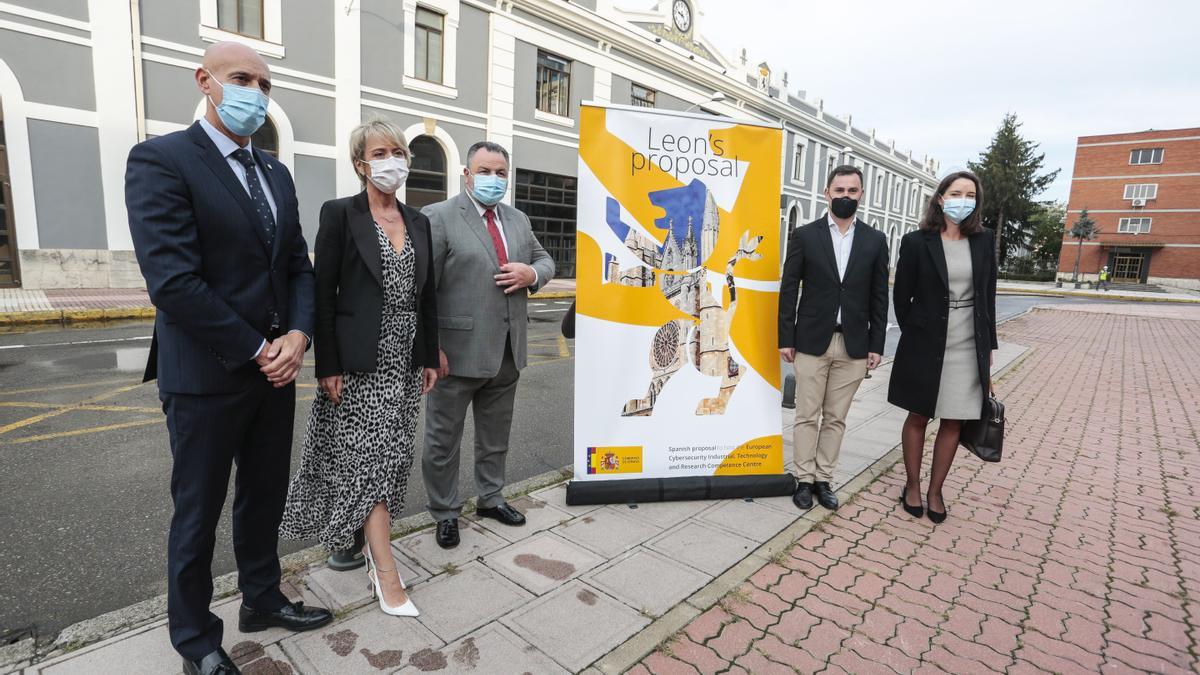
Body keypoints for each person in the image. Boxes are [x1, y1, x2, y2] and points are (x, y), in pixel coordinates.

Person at [126, 42, 331, 675]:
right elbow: (173, 281)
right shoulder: (161, 159)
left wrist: (298, 337)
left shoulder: (274, 173)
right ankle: (195, 640)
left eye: (266, 84)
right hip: (208, 375)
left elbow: (298, 266)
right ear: (206, 81)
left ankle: (262, 598)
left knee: (263, 496)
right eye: (242, 78)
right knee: (199, 510)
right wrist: (255, 347)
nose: (256, 94)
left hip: (276, 371)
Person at [279, 118, 439, 618]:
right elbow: (322, 293)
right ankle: (385, 572)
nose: (393, 159)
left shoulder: (419, 221)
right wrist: (327, 363)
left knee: (391, 457)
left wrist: (428, 355)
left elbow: (426, 295)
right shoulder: (340, 215)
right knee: (368, 459)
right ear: (361, 164)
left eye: (399, 151)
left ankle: (357, 542)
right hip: (358, 363)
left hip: (404, 359)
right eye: (381, 152)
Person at [422, 141, 556, 549]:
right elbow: (422, 290)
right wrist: (431, 348)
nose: (493, 179)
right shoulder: (439, 217)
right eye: (485, 171)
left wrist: (530, 274)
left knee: (495, 437)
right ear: (466, 174)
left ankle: (491, 497)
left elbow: (547, 260)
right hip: (455, 355)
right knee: (442, 443)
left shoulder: (517, 219)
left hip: (507, 351)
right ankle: (445, 512)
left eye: (500, 173)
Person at [888, 170, 998, 524]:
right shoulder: (917, 241)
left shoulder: (984, 241)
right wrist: (918, 332)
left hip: (969, 344)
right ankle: (912, 486)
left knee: (954, 420)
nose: (962, 199)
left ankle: (935, 491)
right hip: (926, 342)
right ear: (940, 198)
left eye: (969, 194)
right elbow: (901, 297)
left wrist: (989, 352)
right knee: (919, 415)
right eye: (955, 192)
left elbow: (989, 298)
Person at [778, 165, 889, 512]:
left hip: (854, 344)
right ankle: (804, 479)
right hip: (811, 340)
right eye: (839, 190)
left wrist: (876, 345)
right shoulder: (806, 236)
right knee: (806, 414)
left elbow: (879, 297)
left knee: (836, 417)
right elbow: (788, 288)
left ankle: (825, 479)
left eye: (852, 191)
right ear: (827, 193)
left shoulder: (874, 240)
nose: (845, 197)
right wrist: (786, 336)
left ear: (861, 195)